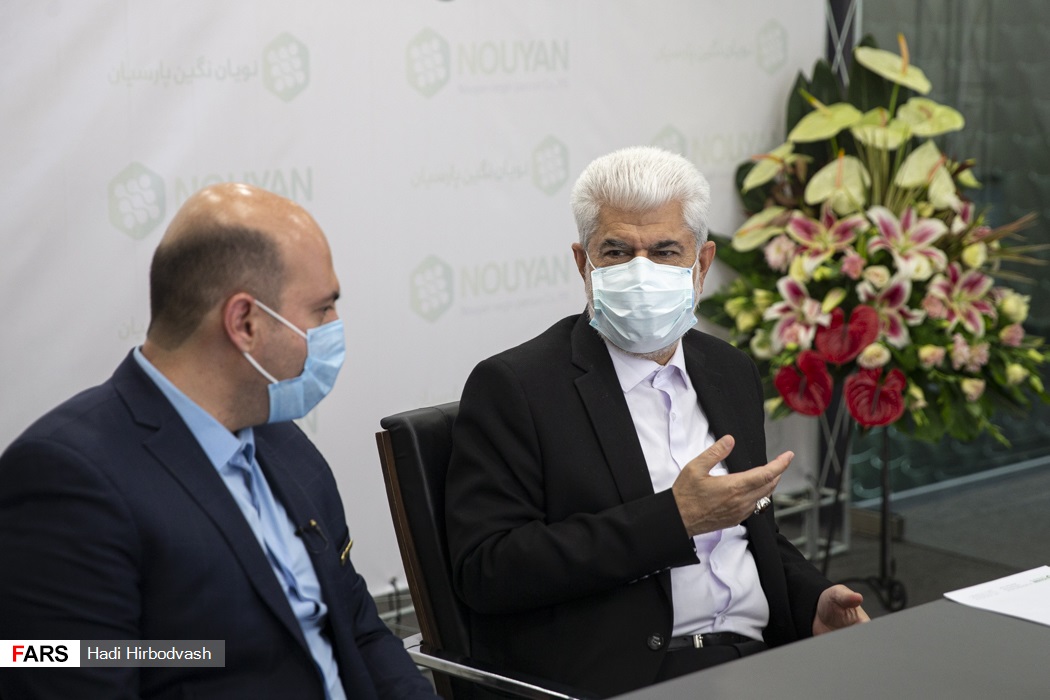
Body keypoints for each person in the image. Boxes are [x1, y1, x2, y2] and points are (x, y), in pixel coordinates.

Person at [445, 147, 869, 697]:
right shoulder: (517, 387)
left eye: (666, 251)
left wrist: (811, 598)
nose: (640, 271)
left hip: (761, 657)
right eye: (617, 251)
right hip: (635, 675)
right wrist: (673, 519)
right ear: (582, 262)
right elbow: (489, 570)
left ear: (702, 263)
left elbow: (751, 534)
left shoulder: (728, 370)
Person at [0, 184, 438, 700]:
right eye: (322, 310)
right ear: (244, 323)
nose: (334, 328)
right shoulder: (67, 479)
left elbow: (359, 632)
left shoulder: (284, 444)